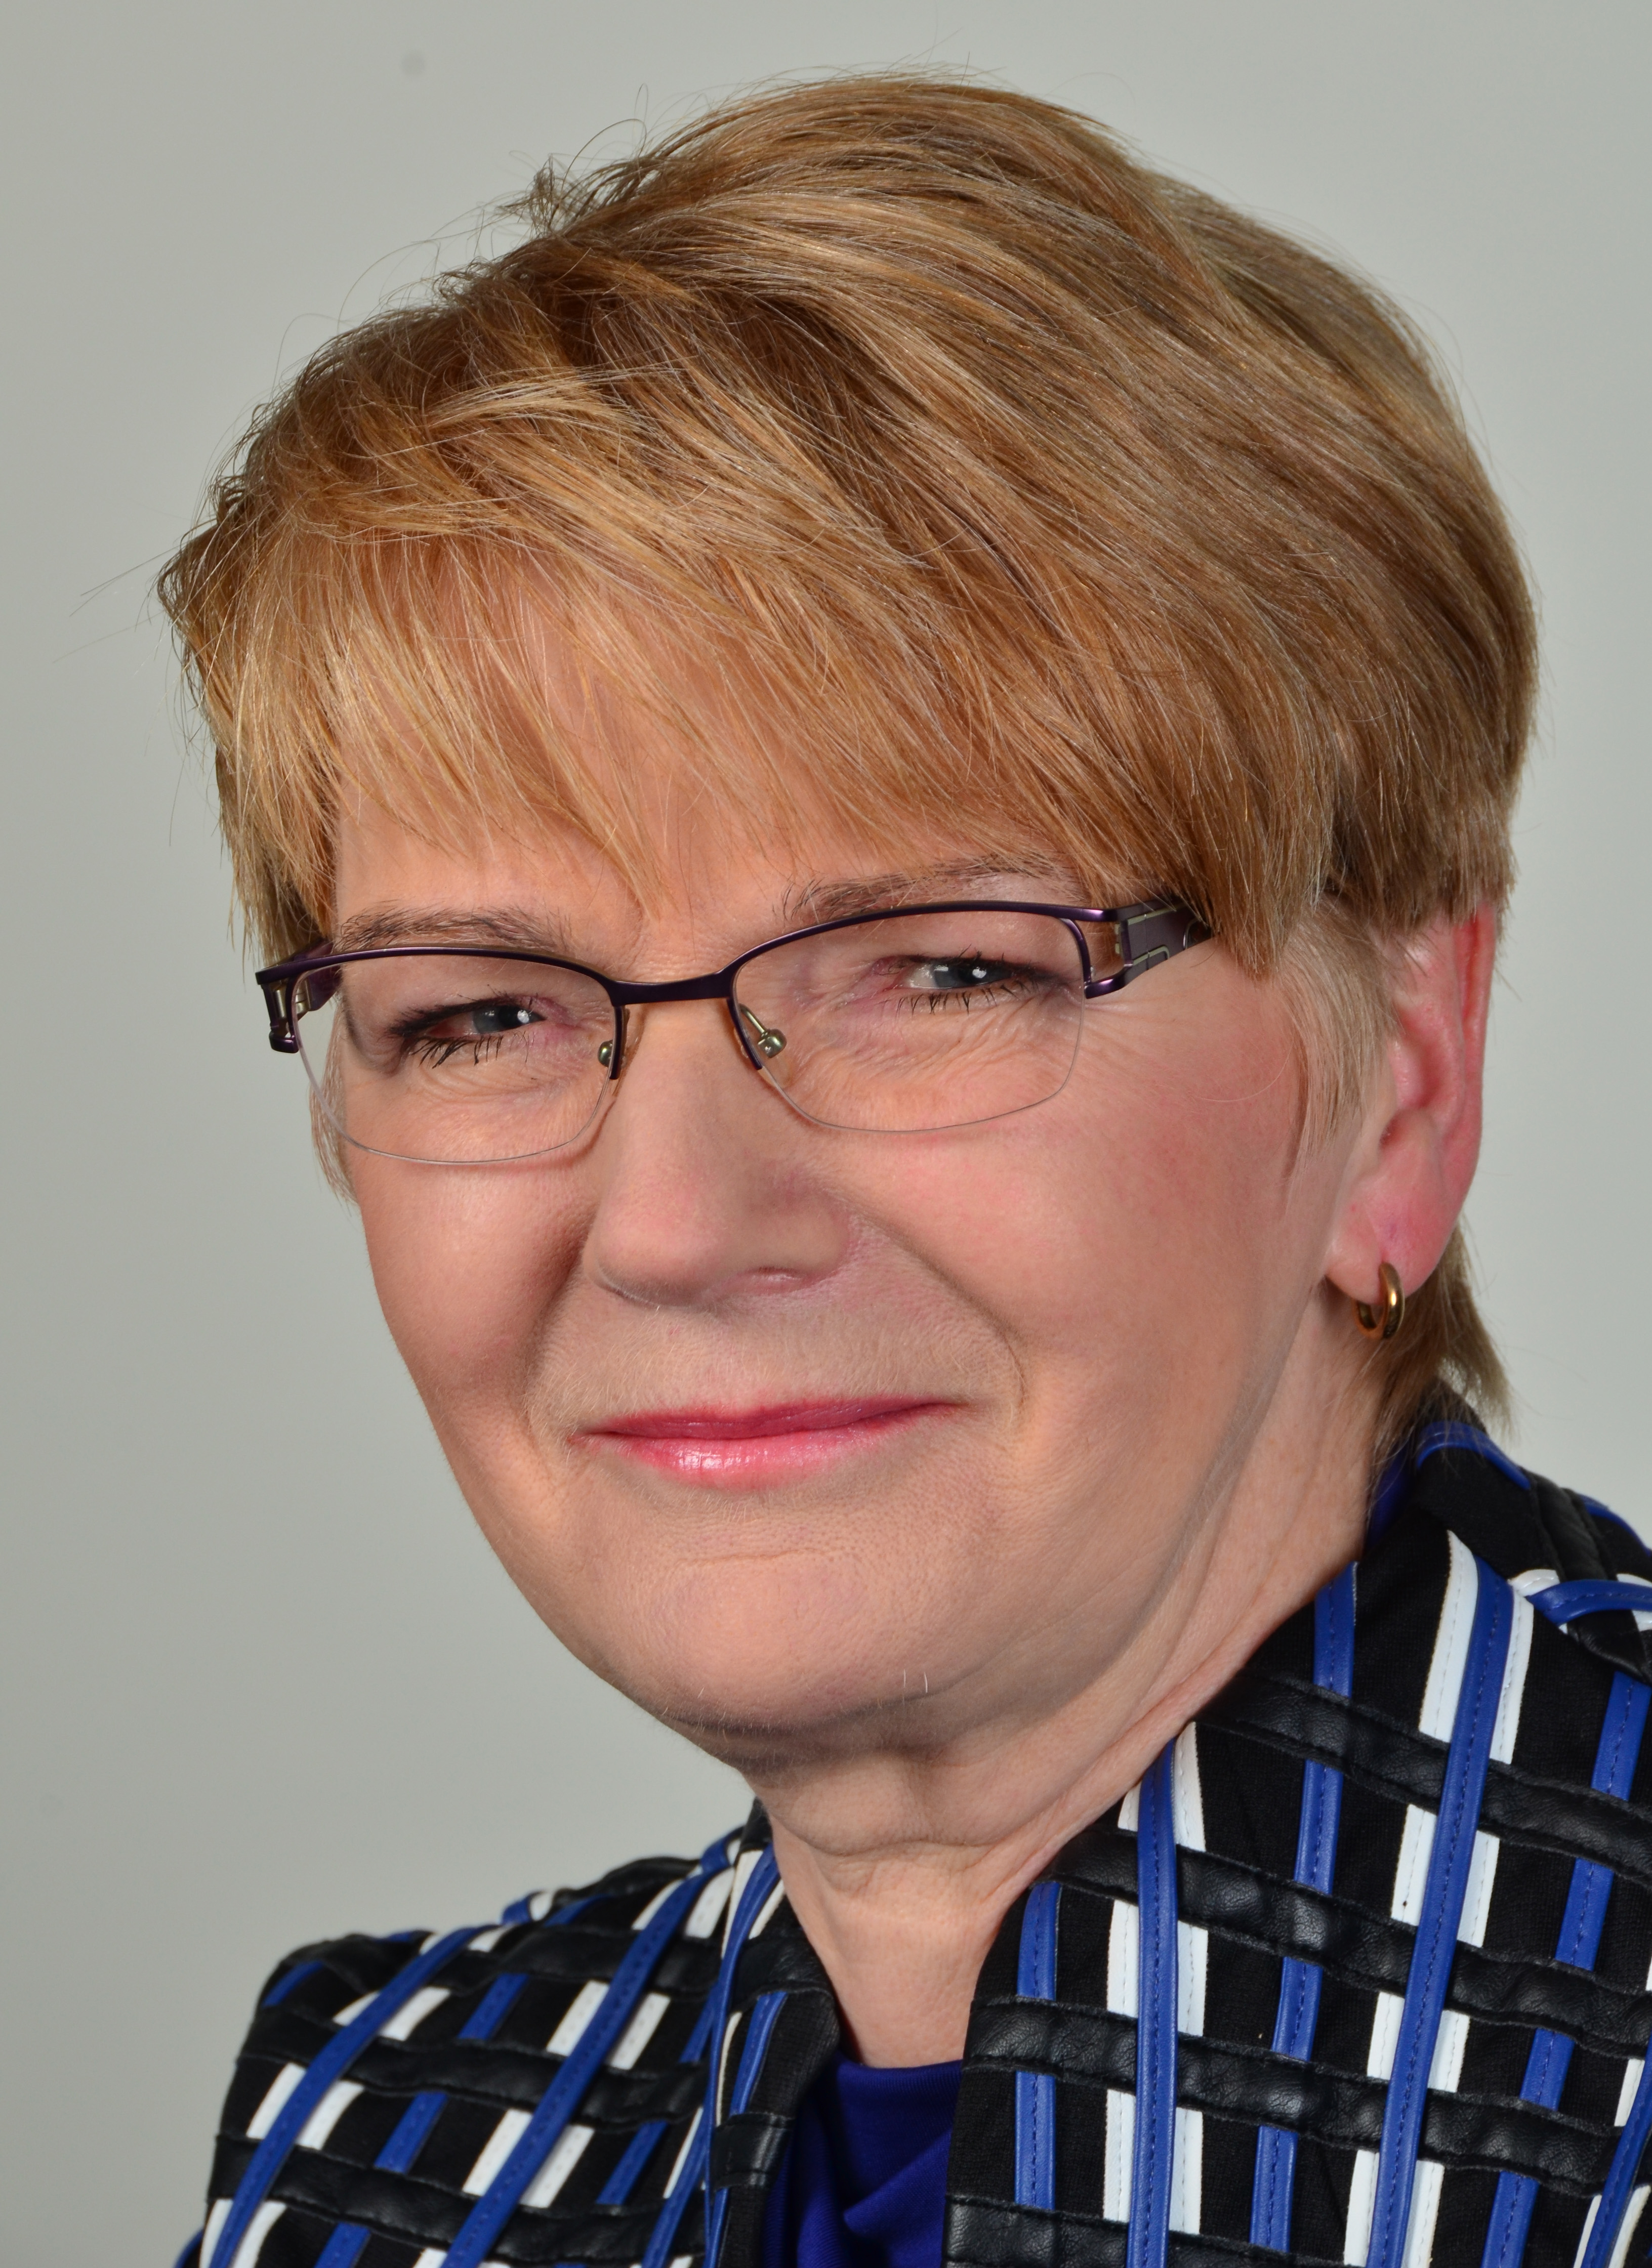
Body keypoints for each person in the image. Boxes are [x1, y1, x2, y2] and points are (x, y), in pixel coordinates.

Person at [158, 74, 1652, 2268]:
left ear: (1405, 1083)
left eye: (943, 969)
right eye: (483, 1011)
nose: (677, 1222)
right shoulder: (381, 2130)